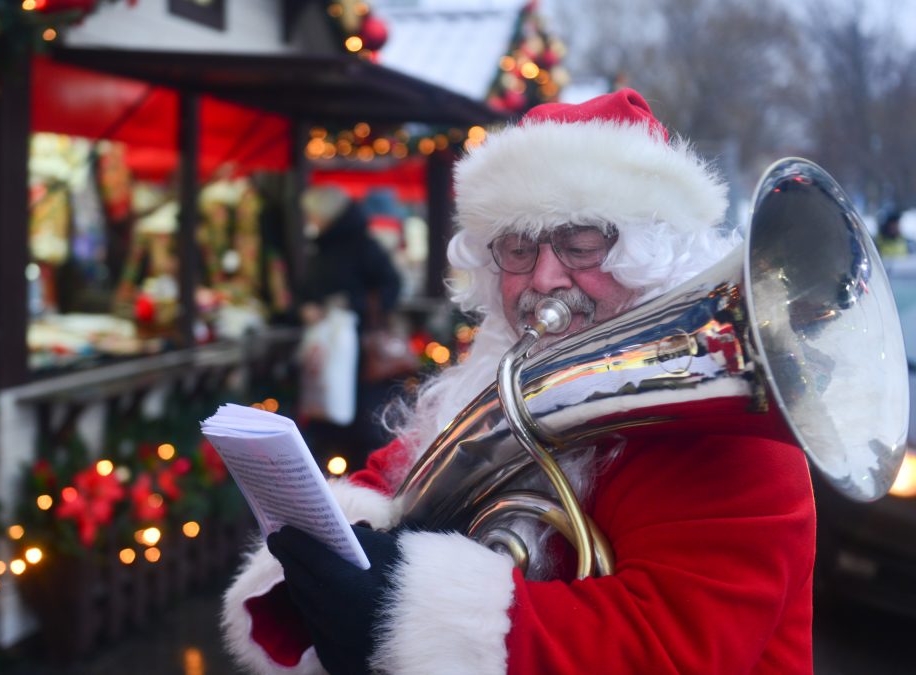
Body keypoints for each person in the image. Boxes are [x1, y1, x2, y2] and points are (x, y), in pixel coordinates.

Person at [221, 90, 815, 674]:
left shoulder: (732, 422)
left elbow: (670, 648)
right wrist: (322, 569)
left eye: (582, 242)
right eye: (517, 248)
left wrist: (404, 609)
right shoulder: (489, 375)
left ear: (652, 253)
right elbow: (391, 483)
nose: (546, 278)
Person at [297, 185, 402, 466]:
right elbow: (307, 290)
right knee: (328, 418)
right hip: (329, 346)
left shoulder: (363, 245)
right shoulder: (319, 247)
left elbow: (390, 285)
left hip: (361, 352)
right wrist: (308, 308)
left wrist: (351, 306)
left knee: (361, 426)